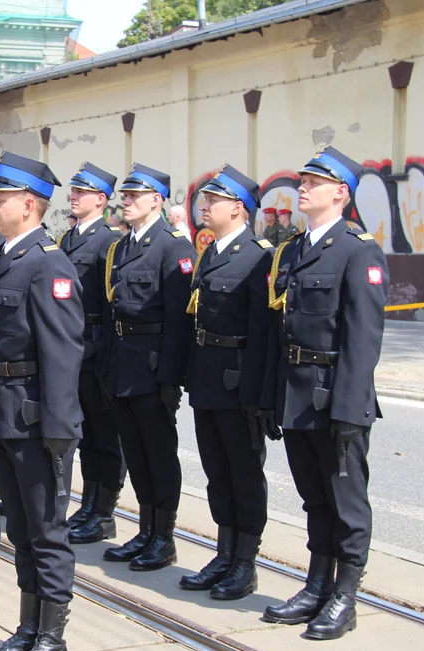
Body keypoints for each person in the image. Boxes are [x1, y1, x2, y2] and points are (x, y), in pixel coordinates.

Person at [261, 146, 388, 640]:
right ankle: (317, 584)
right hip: (297, 393)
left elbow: (363, 338)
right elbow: (281, 331)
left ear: (341, 193)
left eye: (314, 182)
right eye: (302, 181)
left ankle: (345, 595)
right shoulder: (292, 250)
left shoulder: (358, 250)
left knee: (346, 501)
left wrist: (350, 407)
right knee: (314, 498)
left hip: (335, 393)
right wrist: (274, 395)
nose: (303, 188)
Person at [0, 151, 84, 651]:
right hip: (4, 413)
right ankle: (29, 627)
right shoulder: (7, 257)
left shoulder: (48, 263)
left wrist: (60, 434)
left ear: (30, 204)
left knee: (46, 532)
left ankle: (53, 641)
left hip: (37, 423)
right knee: (20, 527)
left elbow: (63, 354)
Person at [181, 164, 277, 601]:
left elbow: (263, 332)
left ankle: (245, 561)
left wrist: (257, 392)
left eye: (213, 200)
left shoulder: (259, 256)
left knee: (244, 472)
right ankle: (223, 552)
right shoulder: (213, 252)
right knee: (217, 471)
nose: (205, 206)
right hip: (207, 378)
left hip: (238, 382)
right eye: (204, 199)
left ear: (238, 208)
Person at [98, 164, 196, 572]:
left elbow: (179, 321)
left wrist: (170, 378)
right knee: (135, 455)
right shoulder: (121, 247)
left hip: (153, 368)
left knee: (158, 455)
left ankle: (164, 537)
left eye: (136, 195)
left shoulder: (173, 246)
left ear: (157, 200)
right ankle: (145, 529)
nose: (127, 201)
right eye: (125, 195)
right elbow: (110, 313)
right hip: (123, 364)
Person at [57, 162, 127, 545]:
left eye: (82, 192)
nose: (74, 196)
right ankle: (88, 505)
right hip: (72, 347)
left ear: (100, 200)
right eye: (73, 191)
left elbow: (112, 301)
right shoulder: (68, 239)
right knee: (82, 436)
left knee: (104, 436)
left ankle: (103, 511)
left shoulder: (108, 242)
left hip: (95, 347)